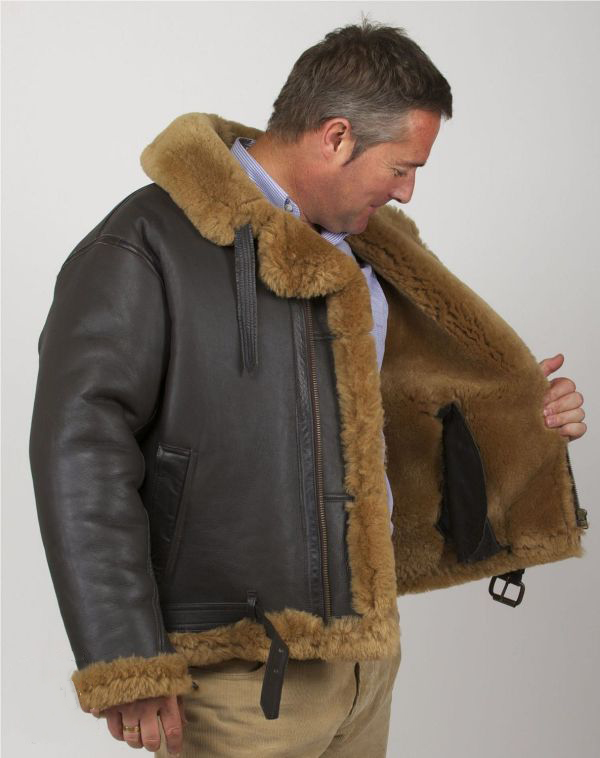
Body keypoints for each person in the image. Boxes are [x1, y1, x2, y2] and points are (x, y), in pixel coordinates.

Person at [28, 18, 588, 758]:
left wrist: (518, 417)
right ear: (335, 137)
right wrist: (124, 657)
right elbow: (79, 451)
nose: (408, 192)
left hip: (364, 665)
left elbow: (375, 425)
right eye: (402, 167)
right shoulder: (147, 241)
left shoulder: (372, 252)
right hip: (235, 677)